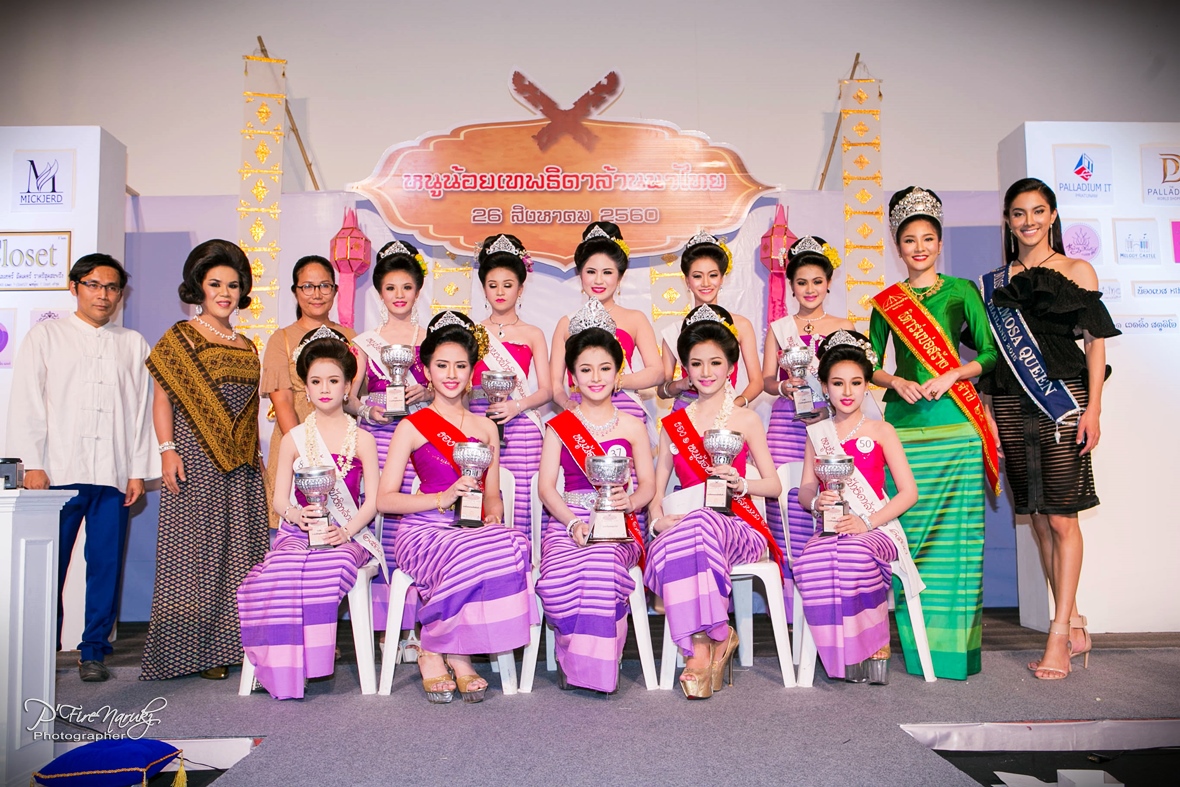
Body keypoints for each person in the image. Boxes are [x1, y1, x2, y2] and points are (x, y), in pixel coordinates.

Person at [979, 178, 1119, 681]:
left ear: (1053, 215)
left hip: (1062, 401)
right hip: (1011, 404)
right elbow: (992, 357)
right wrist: (989, 416)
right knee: (1036, 518)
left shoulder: (1076, 269)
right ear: (1008, 220)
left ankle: (1058, 636)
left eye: (1038, 211)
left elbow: (1095, 342)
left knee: (1062, 517)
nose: (1029, 221)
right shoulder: (994, 282)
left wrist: (1094, 409)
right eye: (1019, 213)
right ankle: (1074, 623)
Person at [868, 187, 999, 680]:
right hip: (903, 432)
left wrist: (954, 373)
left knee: (958, 542)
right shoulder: (887, 303)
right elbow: (867, 363)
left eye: (927, 238)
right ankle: (920, 650)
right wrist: (894, 381)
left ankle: (954, 654)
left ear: (940, 243)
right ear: (897, 246)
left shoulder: (962, 291)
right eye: (909, 240)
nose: (919, 247)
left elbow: (989, 354)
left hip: (957, 428)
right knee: (909, 540)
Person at [6, 253, 154, 682]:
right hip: (57, 474)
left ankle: (94, 651)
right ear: (74, 287)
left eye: (111, 287)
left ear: (121, 294)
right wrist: (32, 464)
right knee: (49, 566)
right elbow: (27, 403)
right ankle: (43, 649)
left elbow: (141, 411)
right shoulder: (46, 336)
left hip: (113, 474)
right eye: (93, 284)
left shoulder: (133, 343)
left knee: (105, 566)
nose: (103, 294)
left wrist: (136, 471)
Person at [376, 310, 534, 704]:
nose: (451, 374)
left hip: (470, 528)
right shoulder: (412, 426)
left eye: (460, 366)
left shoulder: (486, 427)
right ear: (427, 370)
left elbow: (492, 494)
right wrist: (441, 499)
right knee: (465, 552)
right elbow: (384, 499)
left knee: (513, 543)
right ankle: (436, 649)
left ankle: (457, 649)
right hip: (424, 530)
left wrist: (493, 516)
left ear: (472, 371)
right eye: (442, 365)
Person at [140, 239, 269, 681]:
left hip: (242, 466)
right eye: (215, 284)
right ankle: (190, 652)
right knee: (196, 555)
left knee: (242, 554)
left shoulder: (248, 344)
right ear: (199, 286)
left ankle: (236, 647)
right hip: (195, 460)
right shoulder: (181, 336)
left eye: (232, 285)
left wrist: (256, 460)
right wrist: (167, 449)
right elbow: (162, 399)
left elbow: (248, 412)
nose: (224, 293)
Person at [643, 309, 783, 699]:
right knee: (690, 529)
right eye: (696, 363)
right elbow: (655, 491)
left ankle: (701, 649)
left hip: (742, 529)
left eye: (715, 363)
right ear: (685, 370)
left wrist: (742, 483)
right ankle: (710, 639)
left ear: (731, 367)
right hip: (694, 530)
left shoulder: (746, 419)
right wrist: (656, 522)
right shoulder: (673, 424)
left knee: (698, 525)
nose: (706, 372)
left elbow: (773, 486)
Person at [237, 331, 382, 699]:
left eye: (334, 381)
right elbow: (278, 500)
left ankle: (311, 662)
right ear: (305, 386)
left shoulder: (363, 439)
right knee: (278, 571)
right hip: (299, 533)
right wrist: (295, 514)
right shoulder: (294, 438)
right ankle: (282, 666)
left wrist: (346, 532)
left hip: (347, 535)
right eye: (316, 381)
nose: (325, 389)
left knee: (328, 568)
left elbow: (373, 501)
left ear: (348, 386)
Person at [794, 331, 918, 684]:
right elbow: (805, 489)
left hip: (877, 529)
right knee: (812, 560)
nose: (847, 392)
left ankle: (874, 640)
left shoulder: (882, 430)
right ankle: (839, 652)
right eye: (837, 383)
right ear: (824, 386)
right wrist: (815, 501)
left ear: (867, 385)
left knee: (853, 555)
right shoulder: (816, 433)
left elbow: (909, 493)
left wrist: (866, 522)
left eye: (856, 382)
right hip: (831, 529)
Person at [536, 326, 655, 694]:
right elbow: (546, 488)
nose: (596, 377)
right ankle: (571, 655)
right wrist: (573, 523)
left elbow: (648, 486)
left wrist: (630, 502)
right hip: (567, 523)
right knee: (558, 577)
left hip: (618, 525)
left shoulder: (633, 426)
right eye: (585, 369)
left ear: (618, 373)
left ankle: (595, 667)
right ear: (573, 376)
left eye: (604, 368)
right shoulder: (559, 427)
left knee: (601, 565)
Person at [760, 236, 854, 611]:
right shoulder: (779, 328)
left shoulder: (843, 326)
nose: (809, 289)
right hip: (786, 426)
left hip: (829, 425)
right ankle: (789, 607)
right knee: (785, 508)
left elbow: (851, 379)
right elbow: (767, 380)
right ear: (791, 286)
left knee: (828, 501)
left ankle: (825, 595)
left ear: (829, 283)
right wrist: (783, 386)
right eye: (801, 282)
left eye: (817, 281)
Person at [350, 239, 431, 636]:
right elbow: (350, 398)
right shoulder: (365, 341)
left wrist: (427, 391)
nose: (399, 295)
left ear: (417, 291)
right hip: (378, 438)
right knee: (379, 522)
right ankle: (385, 628)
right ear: (380, 292)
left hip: (419, 437)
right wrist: (368, 411)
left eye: (407, 287)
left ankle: (417, 626)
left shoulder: (430, 338)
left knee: (414, 519)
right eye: (390, 288)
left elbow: (453, 388)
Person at [260, 255, 357, 529]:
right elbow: (283, 403)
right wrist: (306, 453)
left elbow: (353, 398)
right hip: (295, 448)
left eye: (324, 286)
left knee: (340, 529)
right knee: (294, 529)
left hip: (341, 449)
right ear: (295, 291)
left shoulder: (351, 338)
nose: (317, 294)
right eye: (308, 286)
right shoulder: (281, 339)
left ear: (335, 291)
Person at [470, 234, 552, 541]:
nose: (500, 292)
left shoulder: (533, 333)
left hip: (522, 428)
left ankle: (524, 557)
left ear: (520, 287)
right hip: (478, 420)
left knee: (521, 499)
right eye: (493, 285)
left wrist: (516, 406)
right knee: (478, 491)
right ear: (484, 288)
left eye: (508, 284)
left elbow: (546, 390)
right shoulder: (473, 332)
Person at [550, 222, 664, 430]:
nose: (598, 280)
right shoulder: (566, 323)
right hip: (580, 412)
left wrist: (616, 380)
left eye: (607, 272)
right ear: (580, 274)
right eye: (591, 271)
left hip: (626, 410)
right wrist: (566, 403)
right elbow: (555, 382)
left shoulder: (635, 319)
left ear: (620, 276)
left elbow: (657, 372)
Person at [657, 233, 762, 411]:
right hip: (685, 413)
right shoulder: (674, 330)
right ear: (687, 281)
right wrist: (682, 384)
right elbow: (662, 391)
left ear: (722, 278)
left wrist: (732, 408)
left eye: (713, 275)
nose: (706, 283)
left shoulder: (741, 325)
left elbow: (757, 381)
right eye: (697, 276)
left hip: (727, 409)